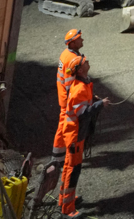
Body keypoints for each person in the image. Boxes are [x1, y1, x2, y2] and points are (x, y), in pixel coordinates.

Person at [58, 55, 105, 217]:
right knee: (74, 169)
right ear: (80, 69)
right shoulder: (79, 88)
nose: (87, 61)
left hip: (73, 132)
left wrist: (93, 100)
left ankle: (63, 199)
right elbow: (82, 114)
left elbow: (84, 104)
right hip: (74, 135)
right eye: (84, 61)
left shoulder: (83, 83)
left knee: (68, 167)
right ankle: (67, 209)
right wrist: (100, 104)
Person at [52, 29, 84, 175]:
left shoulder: (66, 54)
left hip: (63, 97)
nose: (82, 40)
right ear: (72, 42)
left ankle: (58, 156)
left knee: (62, 126)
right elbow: (73, 85)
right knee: (65, 128)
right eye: (79, 39)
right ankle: (60, 158)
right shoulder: (71, 59)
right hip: (68, 100)